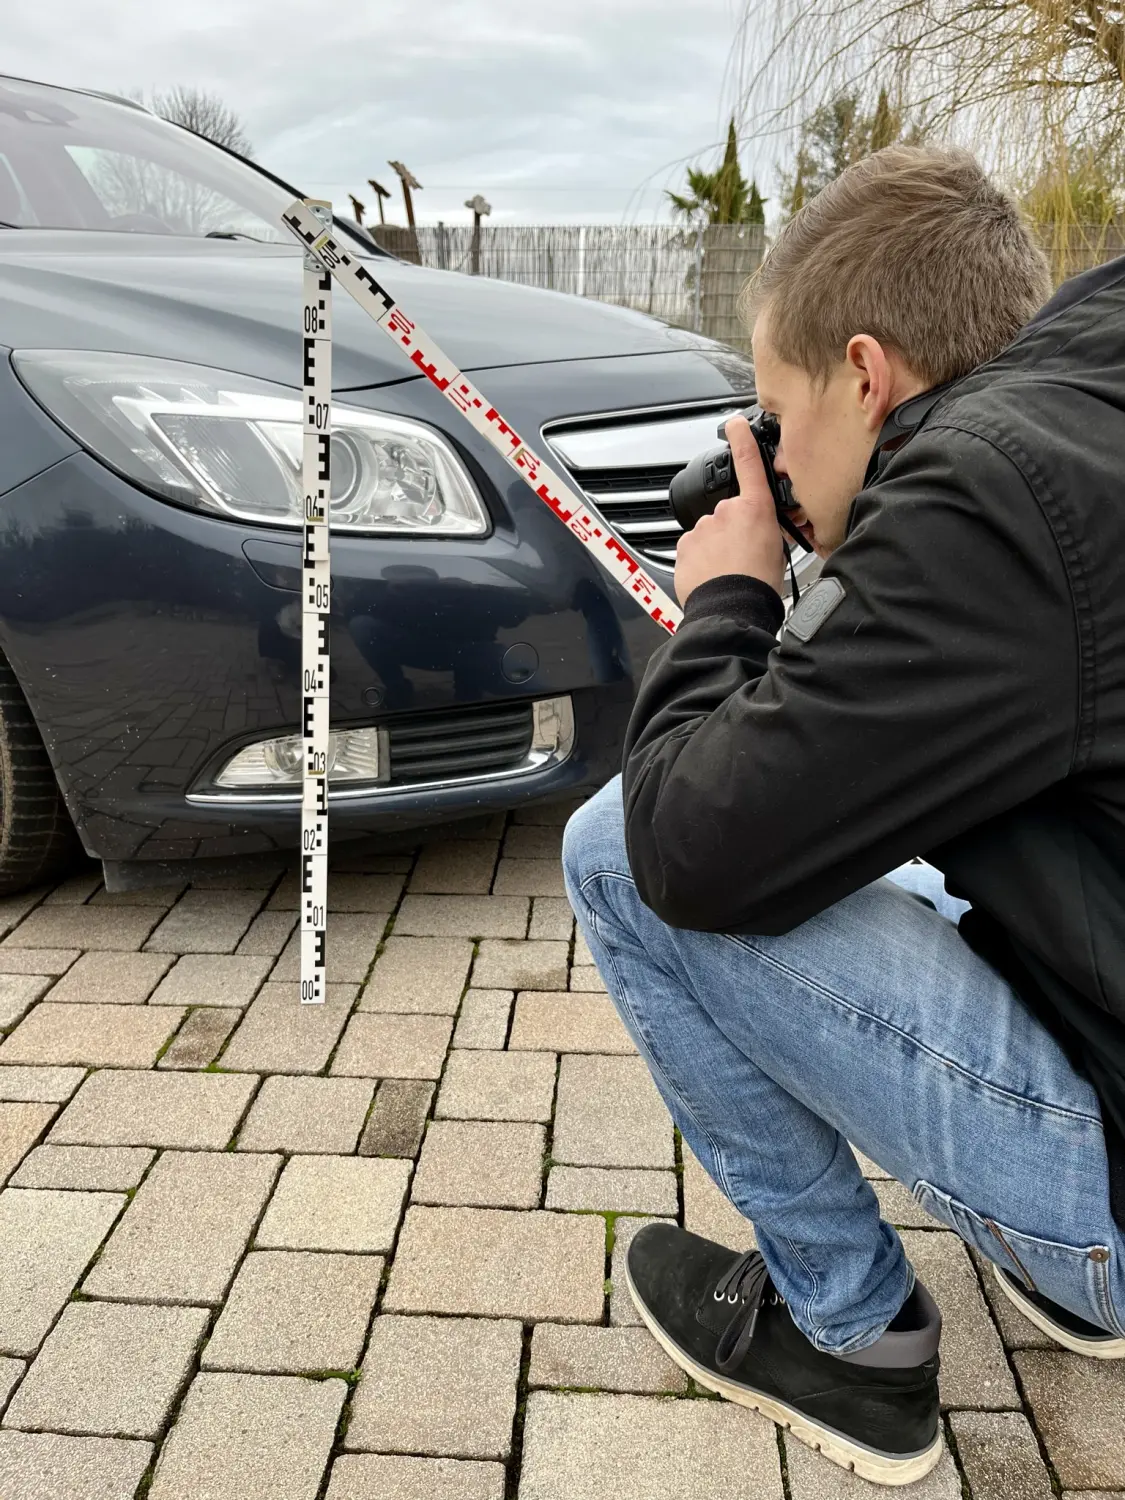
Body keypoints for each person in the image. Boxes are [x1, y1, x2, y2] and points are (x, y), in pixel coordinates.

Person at [562, 143, 1125, 1486]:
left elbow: (694, 846)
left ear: (868, 374)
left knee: (618, 854)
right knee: (874, 832)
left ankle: (853, 1337)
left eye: (774, 410)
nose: (768, 454)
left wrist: (731, 599)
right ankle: (1041, 1256)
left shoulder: (985, 506)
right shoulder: (1090, 378)